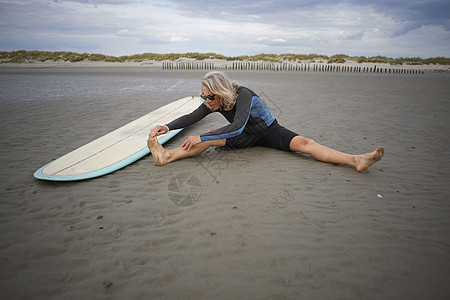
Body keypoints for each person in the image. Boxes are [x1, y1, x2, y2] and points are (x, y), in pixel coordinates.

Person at [147, 71, 384, 172]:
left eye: (210, 97)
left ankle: (357, 160)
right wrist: (167, 126)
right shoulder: (212, 102)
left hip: (268, 131)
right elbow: (192, 117)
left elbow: (237, 125)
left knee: (305, 143)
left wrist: (203, 136)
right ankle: (166, 156)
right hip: (243, 137)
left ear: (221, 93)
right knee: (209, 134)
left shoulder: (243, 95)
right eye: (203, 96)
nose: (206, 101)